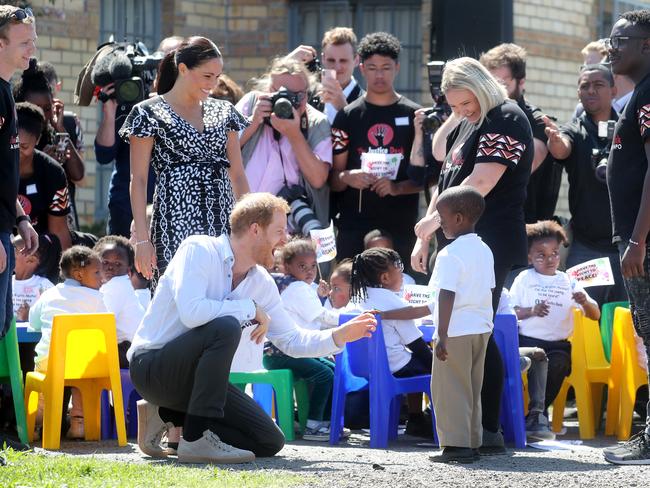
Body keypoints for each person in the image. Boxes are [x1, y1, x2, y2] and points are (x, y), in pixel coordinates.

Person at [127, 192, 377, 463]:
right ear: (255, 229)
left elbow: (290, 339)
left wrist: (339, 336)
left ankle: (167, 414)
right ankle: (195, 439)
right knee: (225, 327)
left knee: (269, 440)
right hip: (152, 367)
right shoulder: (199, 249)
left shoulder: (263, 283)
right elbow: (192, 313)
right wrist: (249, 309)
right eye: (280, 231)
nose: (286, 240)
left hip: (195, 384)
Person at [411, 56, 533, 454]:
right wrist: (424, 234)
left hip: (489, 241)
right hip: (459, 240)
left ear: (483, 86)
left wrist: (431, 226)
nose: (463, 112)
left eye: (467, 103)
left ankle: (486, 428)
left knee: (476, 331)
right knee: (470, 332)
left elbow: (479, 181)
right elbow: (447, 180)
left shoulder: (507, 118)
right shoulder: (472, 122)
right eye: (456, 107)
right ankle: (480, 430)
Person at [121, 36, 250, 289]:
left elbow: (238, 175)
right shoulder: (148, 113)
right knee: (177, 298)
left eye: (217, 77)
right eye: (206, 76)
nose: (213, 84)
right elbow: (139, 180)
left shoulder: (225, 111)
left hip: (222, 223)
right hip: (174, 223)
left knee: (222, 297)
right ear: (183, 69)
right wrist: (143, 241)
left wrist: (252, 228)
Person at [330, 32, 422, 271]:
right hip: (354, 226)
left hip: (401, 227)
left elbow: (428, 177)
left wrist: (397, 187)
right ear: (361, 68)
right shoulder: (348, 116)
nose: (379, 75)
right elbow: (333, 179)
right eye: (372, 67)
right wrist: (347, 177)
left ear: (397, 68)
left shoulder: (415, 115)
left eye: (386, 67)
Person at [603, 8, 650, 465]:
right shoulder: (638, 97)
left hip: (644, 242)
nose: (610, 48)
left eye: (620, 40)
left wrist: (637, 240)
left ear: (646, 45)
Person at [543, 64, 626, 307]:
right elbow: (562, 149)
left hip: (627, 249)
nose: (591, 90)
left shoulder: (629, 127)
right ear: (578, 92)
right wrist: (554, 141)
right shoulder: (574, 129)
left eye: (598, 85)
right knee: (584, 318)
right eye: (584, 86)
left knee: (629, 324)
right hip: (587, 248)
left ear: (613, 90)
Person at [510, 220, 600, 437]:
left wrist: (584, 302)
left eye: (554, 253)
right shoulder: (524, 278)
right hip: (526, 343)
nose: (549, 259)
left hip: (558, 345)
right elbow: (509, 311)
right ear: (529, 257)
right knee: (531, 362)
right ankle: (525, 416)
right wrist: (531, 310)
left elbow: (595, 314)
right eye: (541, 254)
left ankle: (536, 415)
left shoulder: (568, 281)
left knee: (559, 363)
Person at [236, 56, 332, 232]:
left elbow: (318, 179)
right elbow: (222, 148)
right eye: (281, 93)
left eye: (298, 95)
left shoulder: (317, 122)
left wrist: (294, 134)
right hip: (247, 222)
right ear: (268, 89)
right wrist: (254, 121)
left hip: (293, 228)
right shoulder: (251, 104)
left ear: (307, 93)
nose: (288, 101)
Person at [349, 247, 433, 438]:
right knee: (427, 365)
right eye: (399, 267)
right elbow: (415, 344)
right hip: (393, 365)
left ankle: (416, 418)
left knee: (417, 363)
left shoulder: (356, 298)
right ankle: (420, 419)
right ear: (385, 278)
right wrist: (438, 365)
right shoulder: (390, 300)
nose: (402, 273)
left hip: (362, 367)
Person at [264, 239, 339, 441]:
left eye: (313, 266)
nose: (310, 271)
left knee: (332, 370)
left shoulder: (298, 286)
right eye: (302, 266)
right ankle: (314, 426)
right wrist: (350, 319)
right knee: (326, 374)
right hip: (281, 351)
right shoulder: (297, 287)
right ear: (287, 266)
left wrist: (321, 298)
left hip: (289, 349)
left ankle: (320, 422)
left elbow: (311, 316)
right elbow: (322, 317)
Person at [29, 245, 105, 439]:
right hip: (83, 364)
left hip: (50, 362)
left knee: (43, 382)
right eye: (97, 273)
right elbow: (105, 325)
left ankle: (38, 423)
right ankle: (79, 423)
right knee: (83, 380)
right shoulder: (97, 298)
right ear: (79, 275)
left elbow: (33, 321)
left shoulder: (49, 294)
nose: (101, 278)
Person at [479, 43, 560, 224]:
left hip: (527, 228)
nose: (494, 90)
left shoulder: (539, 122)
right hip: (486, 221)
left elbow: (516, 170)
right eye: (490, 83)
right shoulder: (482, 117)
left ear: (521, 81)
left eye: (502, 83)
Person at [0, 5, 39, 340]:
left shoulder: (6, 93)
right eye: (25, 42)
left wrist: (20, 218)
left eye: (34, 40)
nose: (32, 49)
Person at [13, 59, 85, 228]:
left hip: (58, 223)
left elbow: (79, 176)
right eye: (34, 107)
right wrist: (42, 161)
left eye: (46, 108)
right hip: (22, 224)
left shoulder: (62, 128)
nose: (42, 114)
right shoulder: (12, 137)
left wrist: (60, 128)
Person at [16, 102, 72, 252]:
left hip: (38, 252)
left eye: (24, 147)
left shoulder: (53, 173)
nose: (16, 152)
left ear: (38, 140)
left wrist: (65, 273)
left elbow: (59, 230)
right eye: (11, 145)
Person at [94, 235, 145, 368]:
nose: (111, 267)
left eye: (118, 264)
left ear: (128, 270)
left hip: (132, 352)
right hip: (129, 350)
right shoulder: (105, 287)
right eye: (105, 262)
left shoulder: (118, 285)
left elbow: (100, 323)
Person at [12, 234, 56, 322]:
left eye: (14, 250)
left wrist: (30, 316)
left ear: (31, 259)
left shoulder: (44, 286)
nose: (8, 254)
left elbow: (51, 316)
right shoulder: (4, 282)